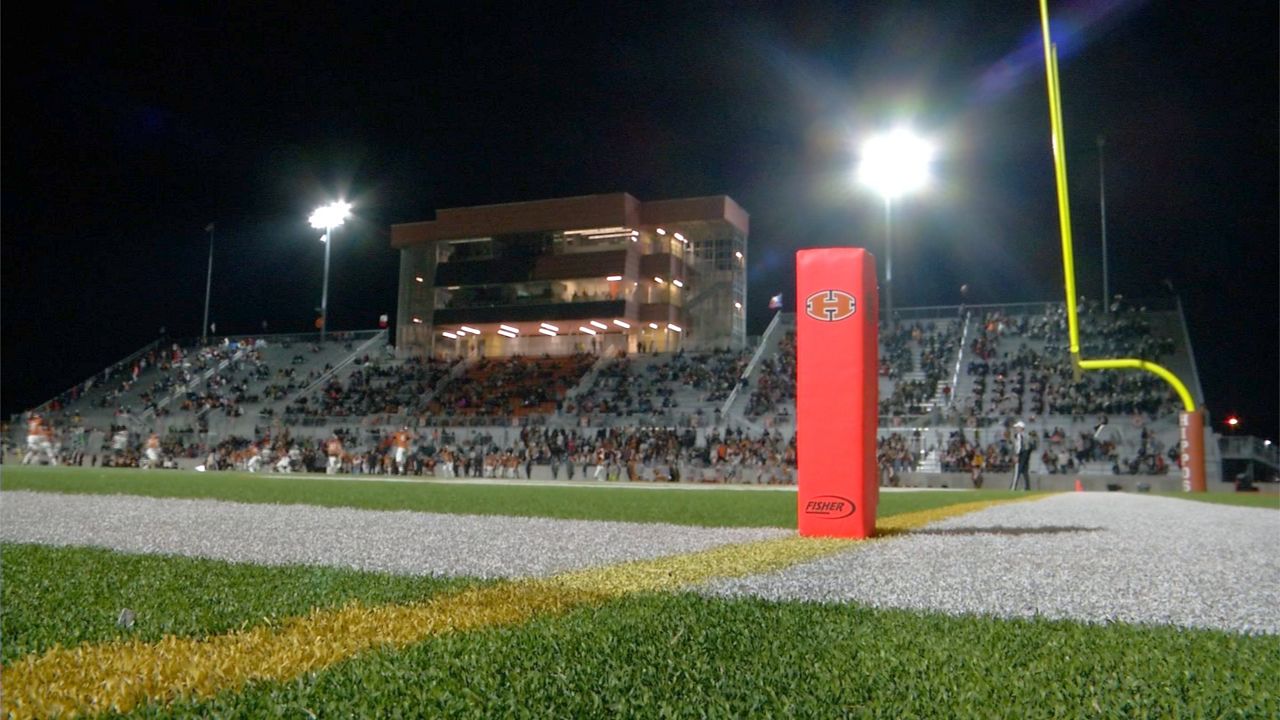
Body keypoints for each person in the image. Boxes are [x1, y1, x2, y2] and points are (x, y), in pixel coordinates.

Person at [1011, 421, 1033, 491]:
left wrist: (1017, 455)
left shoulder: (1019, 435)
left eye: (1017, 427)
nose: (1016, 429)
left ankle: (1013, 487)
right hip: (1027, 453)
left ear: (1021, 428)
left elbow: (1019, 446)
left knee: (1018, 470)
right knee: (1025, 471)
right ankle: (1027, 487)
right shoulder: (1027, 435)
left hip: (1022, 453)